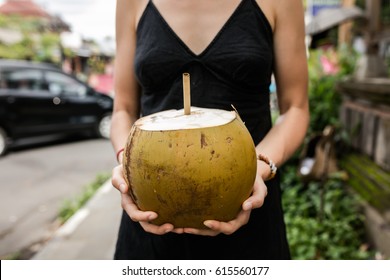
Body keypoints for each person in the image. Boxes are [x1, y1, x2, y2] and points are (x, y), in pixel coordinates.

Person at [111, 0, 309, 259]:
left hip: (248, 202)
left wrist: (258, 168)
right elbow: (123, 109)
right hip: (152, 207)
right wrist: (127, 163)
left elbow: (295, 107)